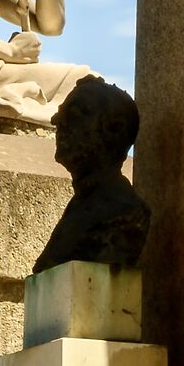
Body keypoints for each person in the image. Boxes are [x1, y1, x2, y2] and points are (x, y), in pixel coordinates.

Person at [33, 76, 149, 274]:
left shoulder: (123, 212)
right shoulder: (81, 204)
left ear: (115, 128)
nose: (56, 121)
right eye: (62, 113)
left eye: (75, 114)